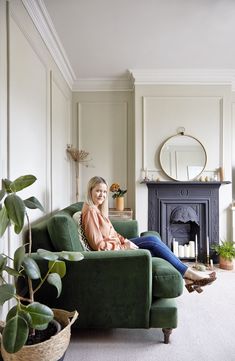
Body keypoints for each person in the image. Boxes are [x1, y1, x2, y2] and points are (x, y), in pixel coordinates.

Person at [81, 176, 216, 293]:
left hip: (118, 245)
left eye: (104, 192)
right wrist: (122, 247)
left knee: (153, 246)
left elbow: (112, 232)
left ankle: (188, 276)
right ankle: (190, 275)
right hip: (113, 253)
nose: (102, 195)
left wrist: (125, 240)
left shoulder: (98, 210)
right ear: (90, 191)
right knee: (152, 242)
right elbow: (98, 245)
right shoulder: (90, 212)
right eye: (98, 191)